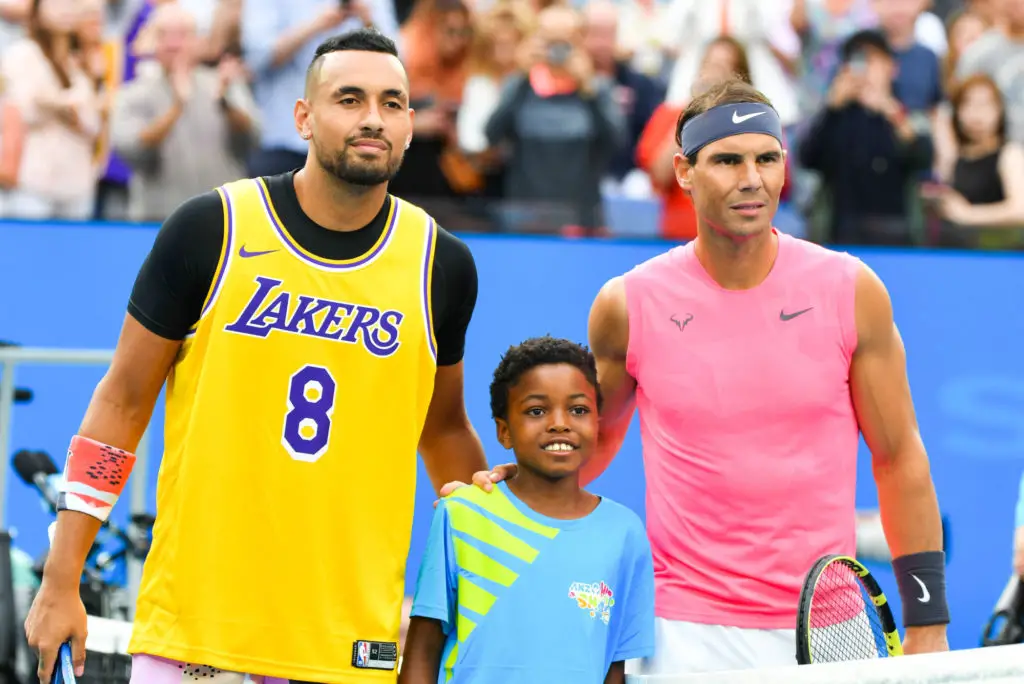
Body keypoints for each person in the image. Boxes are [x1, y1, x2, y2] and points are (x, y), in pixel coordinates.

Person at [25, 28, 488, 684]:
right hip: (198, 631)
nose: (372, 119)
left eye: (392, 103)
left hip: (347, 640)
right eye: (349, 99)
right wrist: (61, 576)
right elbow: (122, 403)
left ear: (411, 125)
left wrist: (496, 554)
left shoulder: (441, 264)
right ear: (302, 117)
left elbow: (443, 432)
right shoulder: (212, 228)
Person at [447, 79, 951, 673]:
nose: (752, 179)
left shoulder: (850, 290)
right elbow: (595, 439)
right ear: (684, 171)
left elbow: (898, 456)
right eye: (728, 160)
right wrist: (518, 490)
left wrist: (928, 623)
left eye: (767, 159)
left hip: (827, 627)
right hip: (684, 629)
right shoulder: (629, 303)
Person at [402, 336, 655, 683]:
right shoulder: (461, 513)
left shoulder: (624, 532)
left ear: (597, 425)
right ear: (504, 431)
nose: (559, 423)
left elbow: (614, 667)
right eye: (537, 411)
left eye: (578, 410)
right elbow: (422, 651)